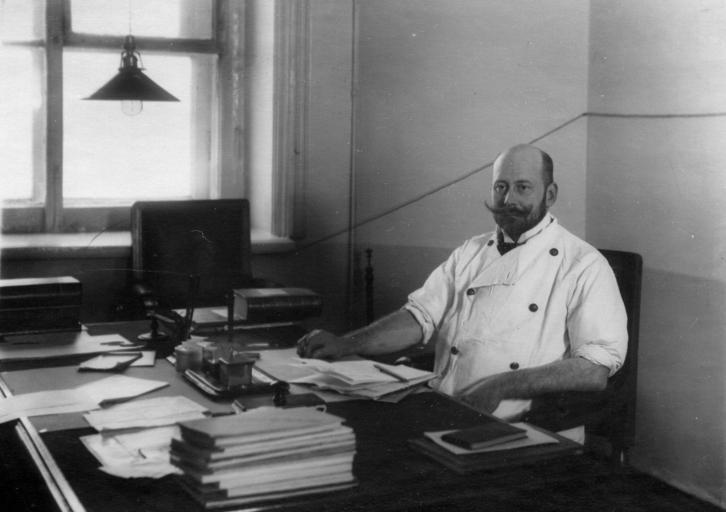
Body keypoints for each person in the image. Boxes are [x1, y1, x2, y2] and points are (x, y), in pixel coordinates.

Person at [297, 144, 627, 422]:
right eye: (501, 187)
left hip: (523, 424)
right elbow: (419, 317)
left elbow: (594, 369)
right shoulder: (471, 251)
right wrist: (346, 344)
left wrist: (500, 386)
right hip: (445, 406)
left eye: (523, 187)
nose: (508, 199)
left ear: (550, 194)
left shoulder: (584, 263)